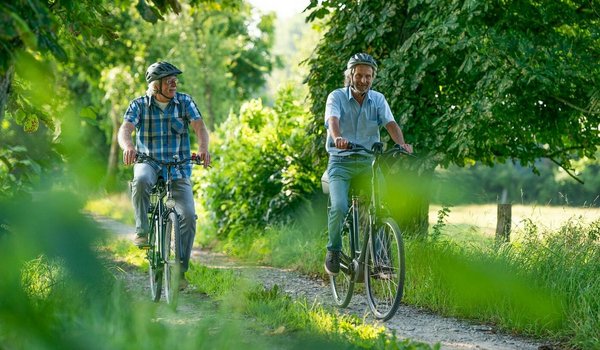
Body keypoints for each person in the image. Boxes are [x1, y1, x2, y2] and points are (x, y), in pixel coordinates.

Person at [118, 61, 211, 288]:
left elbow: (199, 126)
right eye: (169, 80)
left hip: (178, 166)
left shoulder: (184, 102)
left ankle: (180, 273)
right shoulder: (139, 105)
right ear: (155, 85)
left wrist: (203, 149)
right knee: (140, 180)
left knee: (188, 217)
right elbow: (126, 129)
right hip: (149, 162)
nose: (174, 84)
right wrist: (128, 147)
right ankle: (142, 229)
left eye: (175, 80)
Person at [324, 53, 413, 275]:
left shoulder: (378, 99)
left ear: (373, 77)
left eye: (369, 76)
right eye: (360, 75)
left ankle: (381, 261)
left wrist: (401, 144)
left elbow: (390, 123)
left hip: (367, 164)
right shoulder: (336, 97)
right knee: (339, 207)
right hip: (340, 163)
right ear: (350, 74)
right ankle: (333, 251)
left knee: (380, 206)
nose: (364, 80)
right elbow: (332, 121)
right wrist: (338, 138)